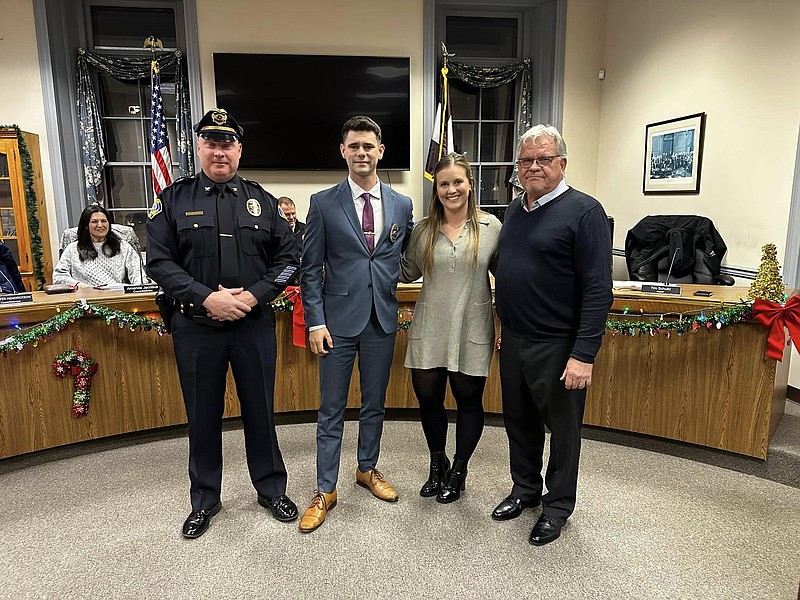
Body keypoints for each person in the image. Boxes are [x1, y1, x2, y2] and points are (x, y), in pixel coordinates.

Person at [146, 108, 301, 539]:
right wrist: (206, 297)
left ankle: (271, 489)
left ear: (239, 149)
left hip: (252, 326)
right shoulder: (172, 199)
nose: (219, 151)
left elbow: (290, 260)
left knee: (260, 411)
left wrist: (253, 295)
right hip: (196, 328)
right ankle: (204, 499)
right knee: (202, 415)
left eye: (227, 143)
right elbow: (158, 262)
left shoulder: (263, 202)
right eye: (211, 143)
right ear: (198, 148)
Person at [492, 124, 612, 545]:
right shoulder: (514, 211)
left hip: (560, 346)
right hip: (515, 339)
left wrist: (584, 354)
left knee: (562, 431)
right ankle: (524, 489)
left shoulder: (585, 211)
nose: (534, 167)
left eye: (544, 159)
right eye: (526, 160)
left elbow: (599, 288)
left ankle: (557, 505)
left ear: (562, 163)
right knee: (519, 422)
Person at [299, 115, 414, 533]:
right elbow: (310, 270)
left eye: (369, 146)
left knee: (374, 404)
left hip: (382, 320)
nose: (362, 153)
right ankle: (324, 489)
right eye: (354, 146)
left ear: (380, 151)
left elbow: (405, 259)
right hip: (336, 324)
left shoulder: (402, 205)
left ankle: (367, 468)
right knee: (331, 408)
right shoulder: (323, 202)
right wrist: (315, 322)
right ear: (343, 151)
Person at [400, 153, 501, 503]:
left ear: (470, 184)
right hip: (430, 326)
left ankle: (458, 470)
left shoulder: (492, 228)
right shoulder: (423, 229)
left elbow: (510, 275)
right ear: (436, 189)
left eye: (458, 181)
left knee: (468, 401)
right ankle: (436, 464)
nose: (451, 189)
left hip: (471, 327)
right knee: (428, 400)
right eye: (444, 184)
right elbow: (406, 272)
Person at [53, 205, 144, 287]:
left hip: (117, 296)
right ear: (86, 226)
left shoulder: (124, 247)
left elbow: (139, 276)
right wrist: (78, 285)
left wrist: (139, 290)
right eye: (94, 222)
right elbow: (59, 277)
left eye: (104, 221)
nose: (100, 225)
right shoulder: (72, 249)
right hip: (84, 300)